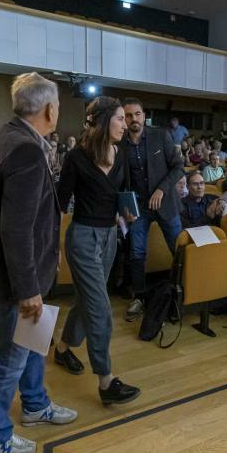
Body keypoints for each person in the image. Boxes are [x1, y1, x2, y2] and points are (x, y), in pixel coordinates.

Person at [0, 72, 77, 453]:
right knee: (10, 357)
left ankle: (35, 404)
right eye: (57, 105)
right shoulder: (25, 150)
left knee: (32, 344)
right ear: (48, 109)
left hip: (15, 270)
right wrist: (28, 289)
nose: (58, 111)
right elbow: (16, 229)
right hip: (16, 277)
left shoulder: (6, 138)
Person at [56, 96, 141, 405]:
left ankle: (62, 349)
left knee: (87, 299)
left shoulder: (121, 154)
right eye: (120, 118)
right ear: (104, 121)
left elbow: (122, 193)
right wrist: (51, 247)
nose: (125, 124)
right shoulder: (76, 157)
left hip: (109, 237)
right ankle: (106, 380)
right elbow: (59, 203)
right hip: (82, 237)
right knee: (100, 308)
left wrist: (127, 212)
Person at [120, 97, 184, 322]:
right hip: (137, 206)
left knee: (179, 250)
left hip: (165, 202)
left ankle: (182, 294)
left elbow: (178, 167)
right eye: (128, 115)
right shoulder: (119, 143)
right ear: (124, 119)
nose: (133, 119)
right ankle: (139, 297)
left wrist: (162, 190)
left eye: (137, 114)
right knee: (136, 253)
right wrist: (123, 207)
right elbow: (118, 179)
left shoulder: (160, 135)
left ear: (144, 116)